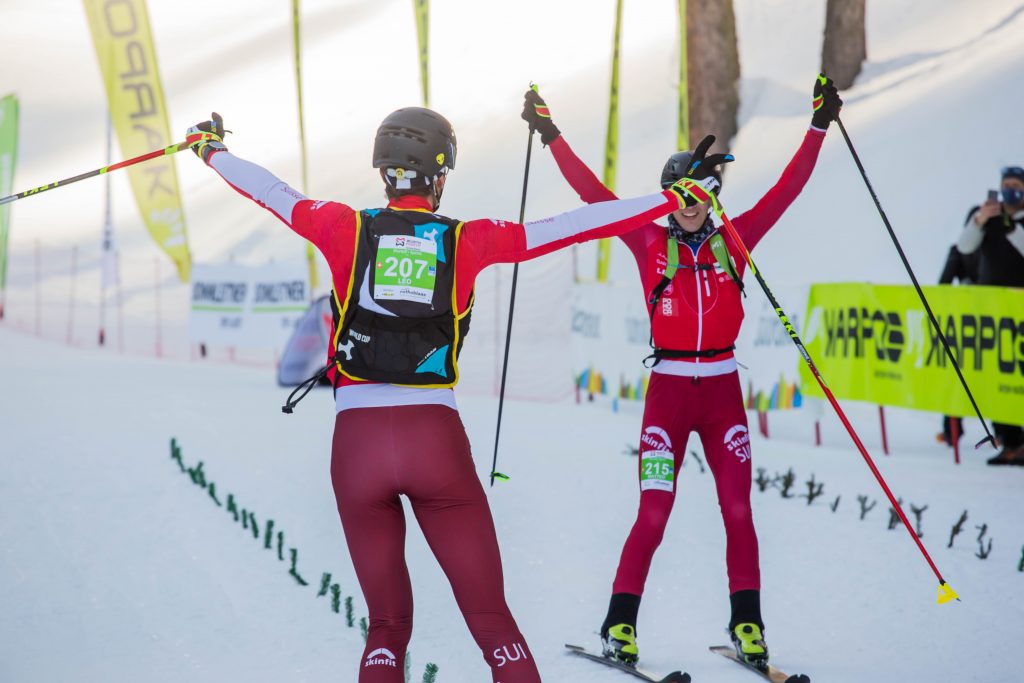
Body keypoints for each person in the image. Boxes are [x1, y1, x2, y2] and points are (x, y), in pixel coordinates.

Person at [184, 108, 715, 683]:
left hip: (356, 445)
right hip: (434, 439)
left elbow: (270, 191)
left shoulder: (344, 226)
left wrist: (210, 150)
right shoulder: (467, 239)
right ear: (439, 175)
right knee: (492, 622)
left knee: (386, 626)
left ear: (384, 171)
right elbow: (573, 225)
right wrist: (668, 200)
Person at [521, 76, 842, 670]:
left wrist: (819, 125)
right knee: (654, 511)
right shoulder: (646, 240)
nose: (692, 206)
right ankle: (619, 627)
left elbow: (787, 189)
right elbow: (594, 196)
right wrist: (551, 134)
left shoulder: (736, 241)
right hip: (668, 395)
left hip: (722, 394)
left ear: (713, 197)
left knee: (739, 511)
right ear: (669, 196)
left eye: (702, 194)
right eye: (682, 195)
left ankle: (749, 626)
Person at [956, 166, 1024, 465]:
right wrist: (980, 220)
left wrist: (1013, 229)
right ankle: (1009, 442)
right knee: (993, 377)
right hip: (989, 312)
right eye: (1006, 184)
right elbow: (964, 246)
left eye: (1016, 185)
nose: (1011, 190)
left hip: (1018, 309)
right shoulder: (985, 216)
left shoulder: (1016, 223)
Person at [935, 233, 980, 446]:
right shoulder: (960, 250)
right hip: (965, 330)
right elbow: (943, 283)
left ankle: (1008, 435)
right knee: (957, 378)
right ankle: (952, 430)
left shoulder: (997, 246)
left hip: (991, 328)